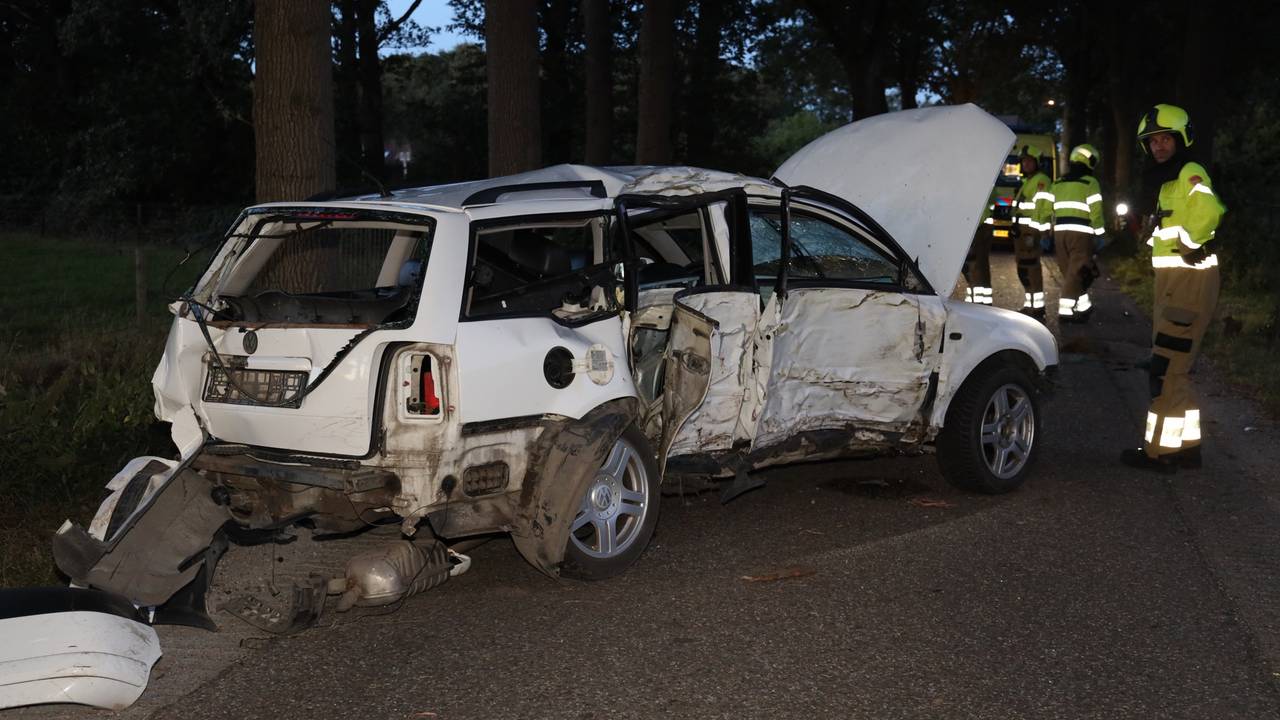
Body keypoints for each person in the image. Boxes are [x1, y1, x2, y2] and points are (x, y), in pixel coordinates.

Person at [1121, 104, 1226, 473]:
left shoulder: (1189, 171)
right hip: (1176, 280)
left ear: (1181, 140)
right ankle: (1188, 447)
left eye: (1166, 139)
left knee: (1164, 367)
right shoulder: (1167, 181)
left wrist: (1191, 243)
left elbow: (1209, 212)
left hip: (1188, 279)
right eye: (1152, 141)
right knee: (1178, 366)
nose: (1159, 146)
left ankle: (1159, 454)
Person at [1050, 144, 1106, 323]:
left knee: (1071, 272)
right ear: (1089, 161)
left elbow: (1049, 208)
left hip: (1060, 233)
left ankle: (1084, 307)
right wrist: (1100, 233)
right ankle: (1066, 313)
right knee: (1077, 272)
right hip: (1081, 233)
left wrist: (1047, 231)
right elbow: (1096, 211)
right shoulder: (1090, 182)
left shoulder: (1057, 183)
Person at [1011, 149, 1053, 319]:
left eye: (1029, 160)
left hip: (1031, 231)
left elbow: (1043, 207)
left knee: (1030, 268)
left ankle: (1037, 308)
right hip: (1022, 230)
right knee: (1023, 268)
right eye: (1023, 161)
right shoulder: (1028, 181)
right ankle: (1030, 305)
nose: (1025, 164)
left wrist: (1042, 232)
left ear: (1037, 162)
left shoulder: (1041, 180)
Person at [963, 204, 994, 305]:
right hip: (983, 226)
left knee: (973, 265)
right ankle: (983, 301)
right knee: (981, 265)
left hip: (977, 227)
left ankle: (976, 301)